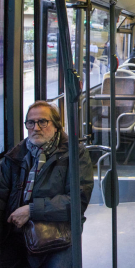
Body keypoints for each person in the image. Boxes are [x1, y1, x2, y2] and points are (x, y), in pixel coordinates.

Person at [0, 101, 94, 267]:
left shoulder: (74, 154)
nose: (36, 128)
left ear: (57, 126)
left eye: (43, 122)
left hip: (55, 232)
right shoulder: (15, 156)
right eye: (31, 122)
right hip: (15, 231)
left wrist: (32, 210)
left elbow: (77, 201)